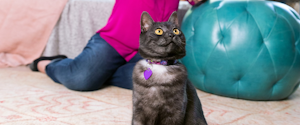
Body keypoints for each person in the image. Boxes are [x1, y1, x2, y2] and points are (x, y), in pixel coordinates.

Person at [30, 0, 203, 91]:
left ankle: (96, 72)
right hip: (113, 40)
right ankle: (47, 63)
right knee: (80, 79)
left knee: (163, 80)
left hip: (150, 50)